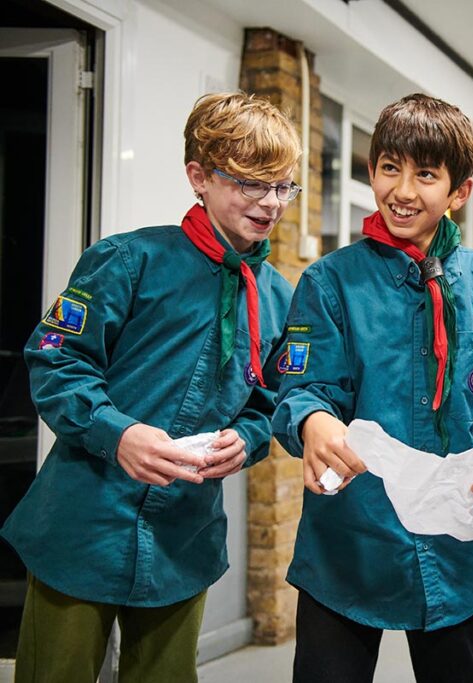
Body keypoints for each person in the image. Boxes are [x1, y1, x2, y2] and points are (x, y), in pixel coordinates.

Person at [0, 92, 300, 682]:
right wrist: (120, 434)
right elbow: (56, 362)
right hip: (84, 523)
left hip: (182, 537)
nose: (269, 203)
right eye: (250, 183)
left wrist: (248, 438)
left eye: (282, 187)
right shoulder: (126, 261)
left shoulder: (279, 298)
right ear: (199, 177)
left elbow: (273, 404)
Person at [272, 93, 473, 683]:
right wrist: (312, 419)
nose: (403, 190)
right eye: (390, 167)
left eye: (425, 174)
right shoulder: (329, 281)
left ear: (459, 192)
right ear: (371, 171)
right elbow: (305, 385)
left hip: (456, 540)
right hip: (349, 537)